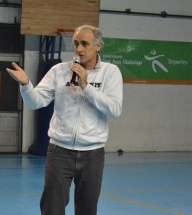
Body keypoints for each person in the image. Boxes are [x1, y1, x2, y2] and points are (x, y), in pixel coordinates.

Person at [7, 25, 123, 215]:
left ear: (98, 46)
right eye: (76, 43)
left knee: (87, 210)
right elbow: (36, 102)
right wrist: (26, 84)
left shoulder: (111, 72)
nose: (78, 49)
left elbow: (115, 109)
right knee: (51, 208)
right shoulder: (59, 70)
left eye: (84, 43)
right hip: (59, 151)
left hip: (92, 154)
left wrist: (86, 86)